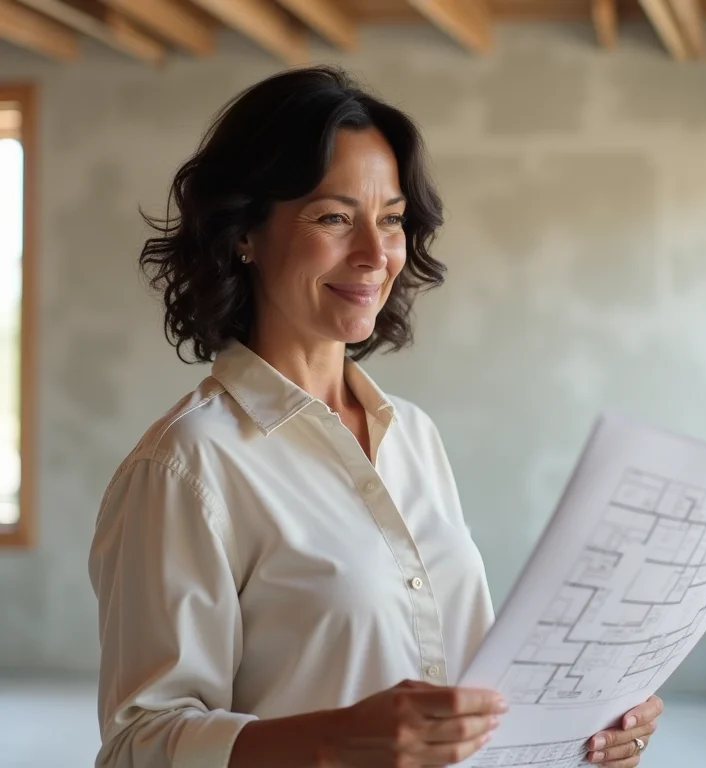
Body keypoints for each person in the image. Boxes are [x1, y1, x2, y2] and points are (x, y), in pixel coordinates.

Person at [88, 66, 662, 768]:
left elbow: (461, 695)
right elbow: (137, 745)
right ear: (245, 233)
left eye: (390, 219)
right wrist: (334, 741)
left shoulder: (414, 435)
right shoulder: (186, 467)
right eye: (333, 217)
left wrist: (589, 730)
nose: (375, 254)